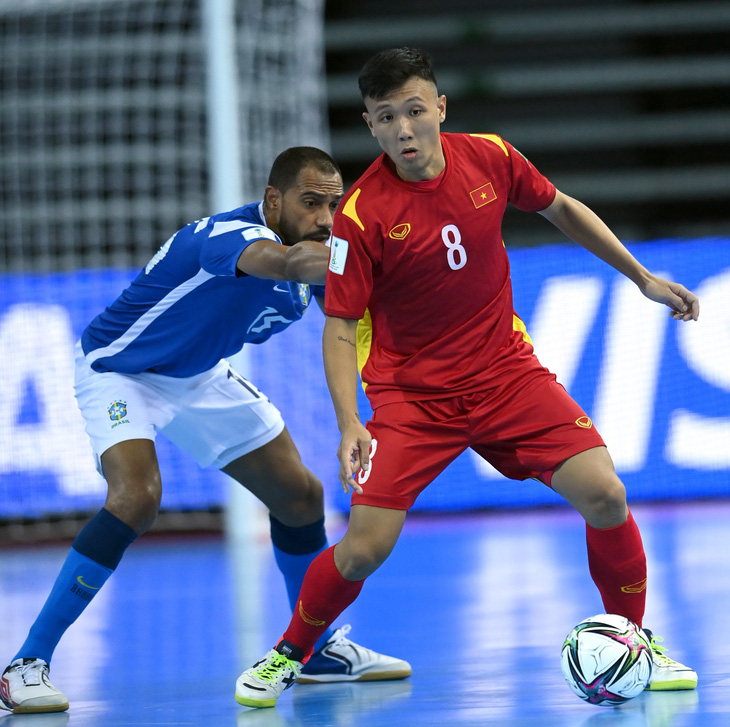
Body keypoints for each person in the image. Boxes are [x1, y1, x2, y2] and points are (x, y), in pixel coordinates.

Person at [234, 49, 700, 709]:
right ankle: (289, 651)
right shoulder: (361, 216)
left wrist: (642, 276)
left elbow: (561, 207)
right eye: (387, 117)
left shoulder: (491, 156)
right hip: (412, 399)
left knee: (606, 494)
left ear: (440, 109)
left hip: (507, 373)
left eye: (416, 111)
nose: (404, 129)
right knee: (364, 547)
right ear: (370, 124)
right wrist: (349, 425)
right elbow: (339, 328)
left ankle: (635, 639)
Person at [0, 146, 412, 716]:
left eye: (334, 205)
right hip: (121, 371)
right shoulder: (227, 237)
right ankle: (26, 663)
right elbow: (289, 264)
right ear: (274, 200)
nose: (324, 217)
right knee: (136, 498)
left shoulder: (321, 252)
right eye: (310, 203)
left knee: (300, 496)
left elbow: (353, 321)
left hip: (197, 377)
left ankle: (314, 652)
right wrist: (373, 250)